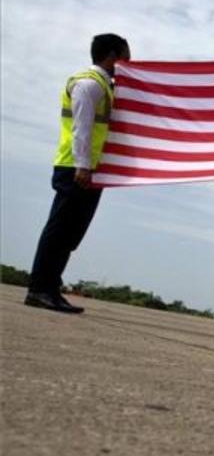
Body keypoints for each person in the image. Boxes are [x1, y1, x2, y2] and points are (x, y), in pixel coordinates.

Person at [26, 34, 130, 313]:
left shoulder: (106, 86)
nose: (127, 64)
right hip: (76, 167)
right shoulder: (89, 84)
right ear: (111, 56)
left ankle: (50, 285)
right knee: (60, 229)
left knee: (72, 233)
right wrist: (83, 166)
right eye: (125, 58)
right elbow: (81, 128)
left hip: (91, 169)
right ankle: (39, 288)